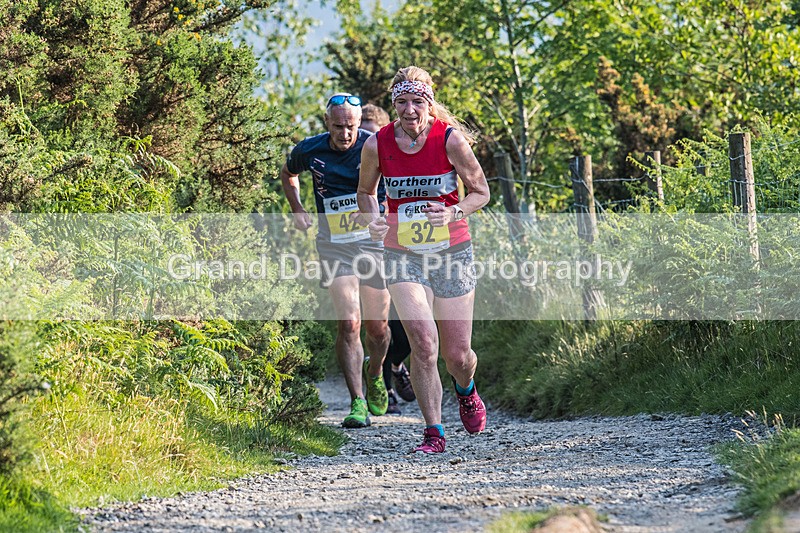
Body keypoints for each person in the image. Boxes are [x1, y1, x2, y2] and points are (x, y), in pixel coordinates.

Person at [357, 67, 491, 453]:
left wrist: (453, 213)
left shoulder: (450, 140)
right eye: (402, 101)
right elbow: (365, 192)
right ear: (393, 104)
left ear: (429, 103)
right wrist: (373, 219)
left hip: (452, 250)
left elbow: (480, 192)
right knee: (423, 340)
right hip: (402, 252)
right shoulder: (377, 144)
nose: (410, 110)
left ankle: (466, 390)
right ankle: (434, 432)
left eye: (417, 101)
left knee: (457, 355)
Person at [279, 93, 390, 428]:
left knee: (379, 328)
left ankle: (376, 372)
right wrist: (298, 209)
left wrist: (377, 214)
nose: (345, 133)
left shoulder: (375, 145)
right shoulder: (310, 149)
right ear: (327, 122)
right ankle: (357, 403)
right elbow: (288, 174)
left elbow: (398, 186)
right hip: (334, 245)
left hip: (373, 243)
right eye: (339, 126)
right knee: (349, 322)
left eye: (351, 126)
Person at [359, 104, 416, 415]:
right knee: (378, 326)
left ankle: (395, 364)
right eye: (361, 129)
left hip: (404, 248)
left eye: (371, 129)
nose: (364, 135)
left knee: (408, 323)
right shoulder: (356, 158)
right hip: (366, 253)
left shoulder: (397, 154)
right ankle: (386, 388)